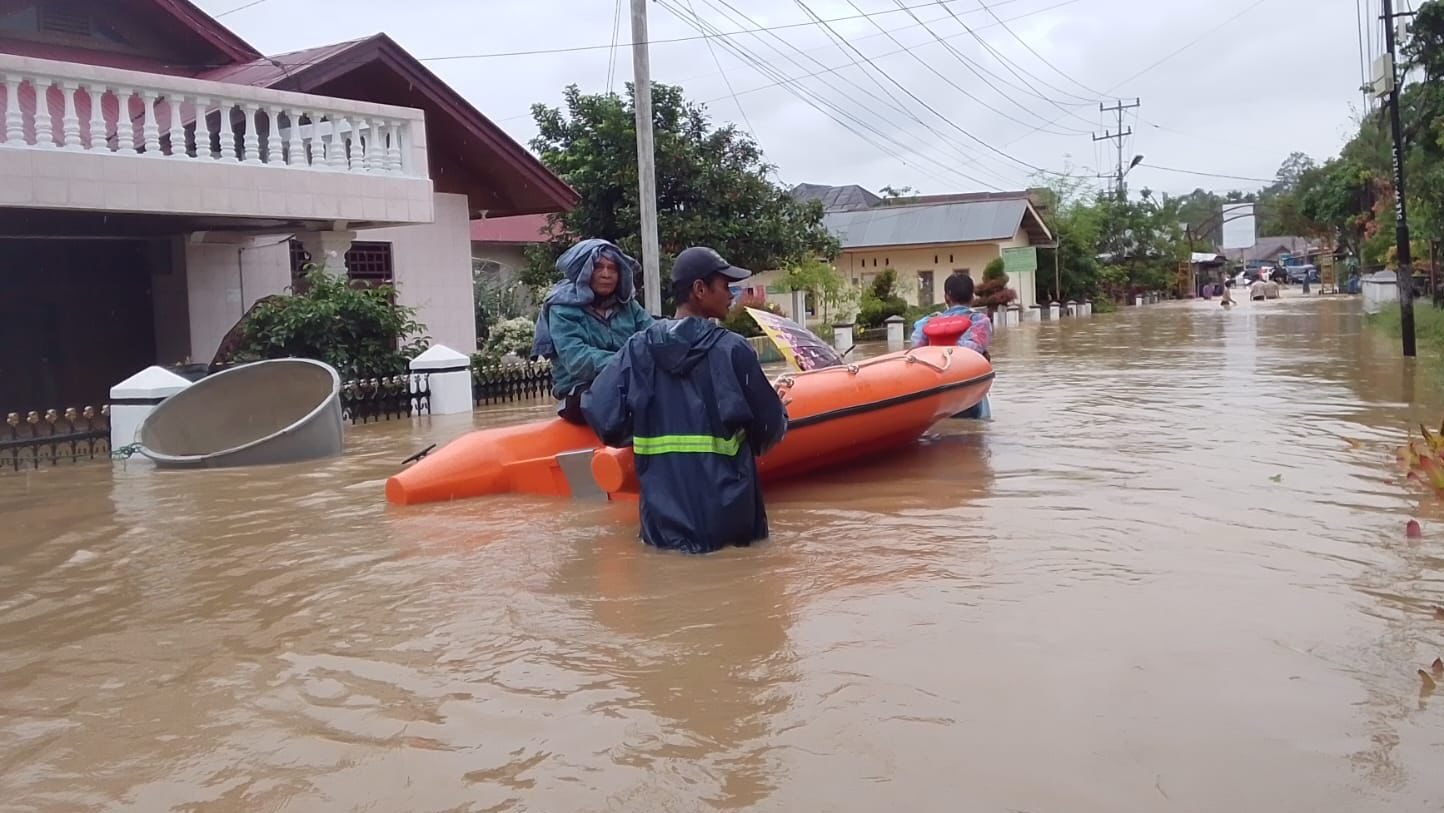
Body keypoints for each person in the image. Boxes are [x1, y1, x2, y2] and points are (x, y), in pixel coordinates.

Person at [582, 246, 789, 554]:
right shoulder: (734, 351)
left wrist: (644, 426)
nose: (732, 293)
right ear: (700, 289)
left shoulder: (637, 349)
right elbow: (769, 430)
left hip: (661, 526)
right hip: (730, 524)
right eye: (725, 285)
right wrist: (776, 410)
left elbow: (602, 415)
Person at [531, 239, 654, 425]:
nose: (606, 274)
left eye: (612, 268)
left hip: (628, 385)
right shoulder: (562, 308)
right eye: (598, 267)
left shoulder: (628, 306)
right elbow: (578, 360)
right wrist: (630, 362)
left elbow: (653, 336)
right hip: (581, 392)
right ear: (584, 271)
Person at [910, 272, 993, 419]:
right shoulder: (980, 321)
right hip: (969, 390)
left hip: (936, 392)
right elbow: (974, 350)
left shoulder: (927, 322)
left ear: (946, 296)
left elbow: (915, 350)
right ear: (972, 296)